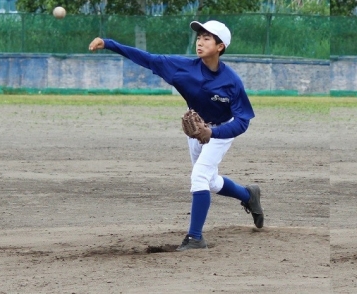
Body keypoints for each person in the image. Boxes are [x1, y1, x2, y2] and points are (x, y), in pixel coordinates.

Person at [88, 19, 264, 251]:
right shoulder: (182, 68)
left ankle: (195, 238)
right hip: (196, 129)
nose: (200, 42)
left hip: (221, 130)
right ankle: (248, 195)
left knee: (199, 177)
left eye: (206, 38)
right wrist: (109, 43)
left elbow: (242, 121)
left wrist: (213, 132)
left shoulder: (232, 82)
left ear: (220, 46)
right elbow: (148, 59)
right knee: (210, 181)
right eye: (199, 38)